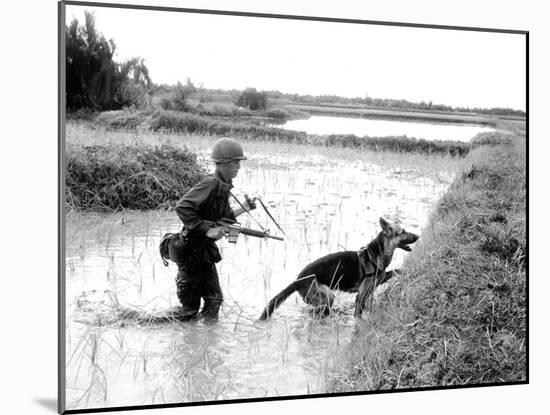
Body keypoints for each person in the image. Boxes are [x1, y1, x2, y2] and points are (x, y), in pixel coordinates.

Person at [174, 137, 255, 322]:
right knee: (188, 311)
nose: (239, 167)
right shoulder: (210, 183)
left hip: (205, 254)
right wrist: (207, 229)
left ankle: (208, 343)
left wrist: (244, 208)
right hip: (190, 253)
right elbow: (182, 207)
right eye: (236, 162)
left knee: (214, 300)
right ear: (224, 163)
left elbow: (223, 220)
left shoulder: (223, 187)